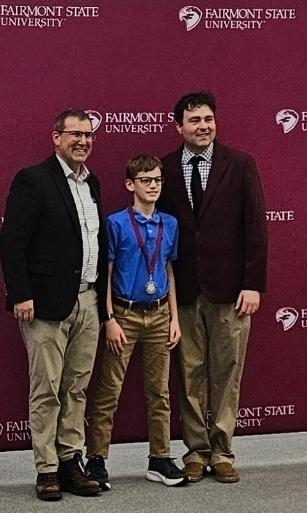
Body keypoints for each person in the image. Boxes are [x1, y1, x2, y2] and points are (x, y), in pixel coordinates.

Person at [157, 92, 268, 483]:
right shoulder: (165, 169)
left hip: (231, 292)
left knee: (227, 372)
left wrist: (253, 284)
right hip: (183, 292)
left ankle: (222, 451)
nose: (202, 126)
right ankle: (196, 450)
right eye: (193, 120)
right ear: (178, 127)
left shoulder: (239, 165)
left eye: (208, 119)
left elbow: (255, 228)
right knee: (189, 374)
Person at [0, 108, 107, 501]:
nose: (83, 141)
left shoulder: (92, 182)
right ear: (56, 138)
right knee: (47, 389)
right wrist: (20, 293)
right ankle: (46, 469)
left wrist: (100, 304)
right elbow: (12, 241)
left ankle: (69, 463)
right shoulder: (33, 180)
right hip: (44, 303)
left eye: (89, 134)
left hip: (88, 300)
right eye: (75, 134)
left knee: (76, 389)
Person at [84, 154, 188, 489]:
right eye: (145, 180)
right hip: (125, 316)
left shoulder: (169, 224)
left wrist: (174, 317)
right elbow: (108, 272)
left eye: (157, 180)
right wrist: (110, 318)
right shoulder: (116, 224)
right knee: (109, 391)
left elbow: (169, 269)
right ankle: (97, 459)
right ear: (131, 185)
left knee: (160, 392)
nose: (153, 185)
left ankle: (159, 458)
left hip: (159, 314)